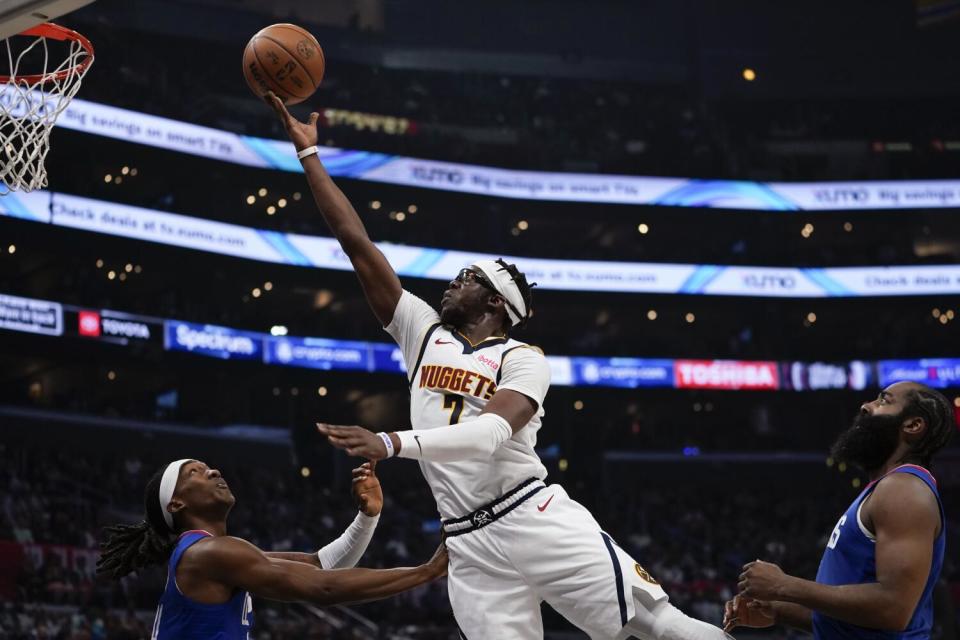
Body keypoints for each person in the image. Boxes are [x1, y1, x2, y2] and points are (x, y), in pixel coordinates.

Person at [267, 92, 731, 640]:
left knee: (659, 628)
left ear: (495, 304)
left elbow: (489, 434)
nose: (450, 284)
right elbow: (356, 243)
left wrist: (391, 443)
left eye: (466, 279)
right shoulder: (422, 332)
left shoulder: (524, 359)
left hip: (533, 515)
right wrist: (309, 157)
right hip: (466, 542)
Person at [97, 458, 447, 639]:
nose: (213, 470)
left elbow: (319, 566)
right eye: (195, 473)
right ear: (176, 505)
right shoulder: (209, 555)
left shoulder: (219, 553)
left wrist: (367, 517)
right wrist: (425, 572)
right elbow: (323, 589)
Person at [724, 381, 954, 639]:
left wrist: (784, 586)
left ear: (912, 425)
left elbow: (893, 609)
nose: (865, 406)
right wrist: (778, 611)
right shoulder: (885, 489)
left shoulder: (903, 490)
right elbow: (857, 622)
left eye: (883, 401)